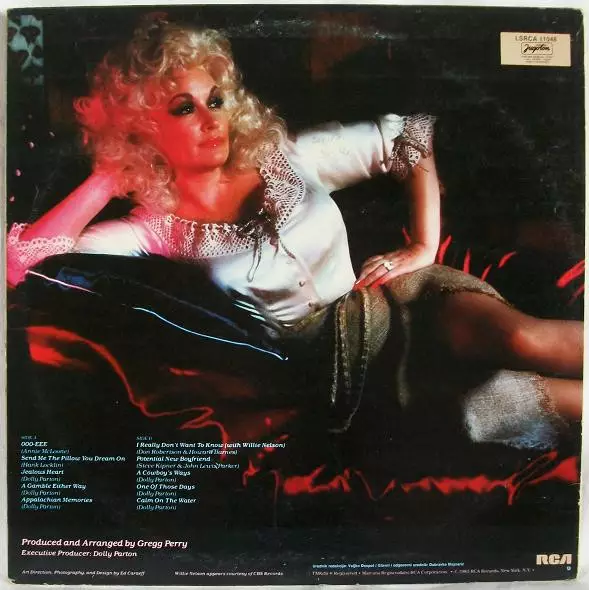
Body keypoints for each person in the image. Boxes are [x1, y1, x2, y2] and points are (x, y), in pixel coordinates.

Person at [6, 18, 582, 447]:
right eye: (184, 108)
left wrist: (422, 246)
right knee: (510, 405)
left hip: (397, 302)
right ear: (142, 125)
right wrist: (109, 174)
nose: (211, 119)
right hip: (348, 380)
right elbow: (20, 264)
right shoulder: (152, 231)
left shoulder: (284, 156)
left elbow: (409, 134)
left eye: (216, 99)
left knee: (525, 339)